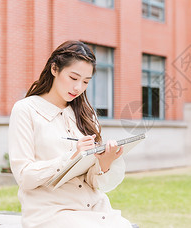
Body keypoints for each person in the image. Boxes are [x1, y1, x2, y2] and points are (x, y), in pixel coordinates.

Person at [8, 40, 132, 228]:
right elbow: (24, 176)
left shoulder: (86, 114)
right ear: (54, 69)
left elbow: (94, 182)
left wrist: (104, 163)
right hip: (52, 214)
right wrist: (72, 157)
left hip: (97, 210)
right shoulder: (26, 110)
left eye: (85, 82)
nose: (78, 88)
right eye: (73, 78)